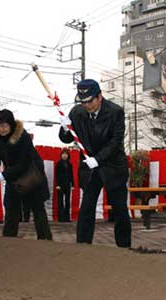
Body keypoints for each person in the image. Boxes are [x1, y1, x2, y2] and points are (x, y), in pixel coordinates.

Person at [59, 79, 131, 248]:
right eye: (82, 101)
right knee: (87, 207)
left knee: (119, 208)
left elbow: (116, 141)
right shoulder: (76, 112)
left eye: (90, 101)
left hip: (113, 165)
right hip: (90, 168)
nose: (86, 105)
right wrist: (64, 128)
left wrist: (98, 159)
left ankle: (124, 247)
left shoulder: (115, 112)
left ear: (99, 97)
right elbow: (67, 138)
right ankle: (83, 246)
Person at [0, 109, 52, 240]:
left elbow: (25, 163)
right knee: (11, 209)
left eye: (5, 125)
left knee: (37, 209)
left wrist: (6, 174)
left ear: (11, 124)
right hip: (13, 179)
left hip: (31, 177)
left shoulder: (22, 136)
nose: (2, 129)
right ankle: (8, 240)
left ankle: (45, 240)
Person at [55, 148, 74, 222]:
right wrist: (57, 184)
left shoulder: (70, 164)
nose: (64, 155)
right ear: (61, 155)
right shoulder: (58, 164)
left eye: (66, 154)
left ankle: (67, 217)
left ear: (68, 155)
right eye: (63, 154)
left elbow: (71, 175)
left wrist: (73, 185)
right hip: (60, 185)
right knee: (60, 201)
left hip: (68, 184)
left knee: (67, 201)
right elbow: (57, 175)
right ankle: (61, 217)